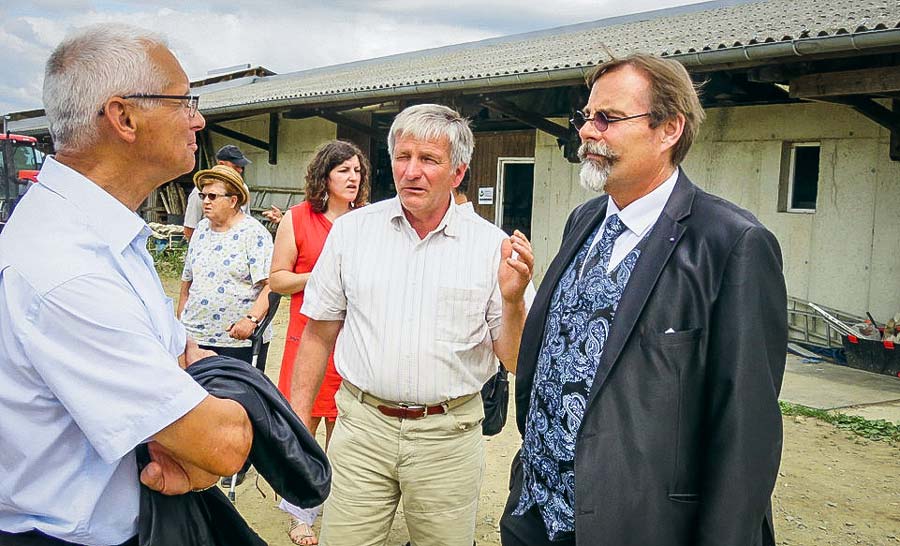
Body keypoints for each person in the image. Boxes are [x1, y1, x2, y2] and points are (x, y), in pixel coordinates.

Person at [500, 53, 788, 546]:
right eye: (586, 117)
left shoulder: (732, 244)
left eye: (607, 118)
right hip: (535, 515)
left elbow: (746, 431)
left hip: (640, 524)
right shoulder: (585, 221)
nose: (587, 131)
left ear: (669, 129)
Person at [0, 24, 252, 546]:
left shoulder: (104, 233)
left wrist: (188, 422)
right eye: (183, 101)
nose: (198, 119)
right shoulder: (67, 269)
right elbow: (222, 445)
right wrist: (215, 424)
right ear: (124, 117)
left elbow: (185, 353)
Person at [291, 104, 533, 546]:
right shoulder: (352, 234)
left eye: (428, 160)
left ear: (458, 173)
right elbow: (317, 334)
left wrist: (514, 300)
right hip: (362, 429)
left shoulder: (490, 247)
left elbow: (516, 358)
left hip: (449, 437)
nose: (411, 172)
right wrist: (297, 424)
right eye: (403, 157)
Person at [269, 139, 369, 545]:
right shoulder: (296, 219)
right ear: (324, 176)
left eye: (358, 171)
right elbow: (278, 279)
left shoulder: (368, 220)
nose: (352, 178)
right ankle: (300, 514)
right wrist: (322, 277)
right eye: (343, 170)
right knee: (302, 429)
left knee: (345, 434)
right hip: (307, 339)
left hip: (353, 344)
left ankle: (340, 509)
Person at [177, 164, 274, 367]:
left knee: (236, 397)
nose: (205, 202)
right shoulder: (201, 230)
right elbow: (187, 281)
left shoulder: (253, 233)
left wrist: (250, 320)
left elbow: (271, 285)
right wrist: (180, 324)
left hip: (237, 342)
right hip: (196, 339)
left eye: (213, 196)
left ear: (233, 200)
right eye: (203, 196)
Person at [183, 144, 251, 240]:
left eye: (241, 167)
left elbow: (246, 220)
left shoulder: (243, 189)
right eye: (236, 166)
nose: (240, 170)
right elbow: (189, 229)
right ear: (221, 164)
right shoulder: (201, 192)